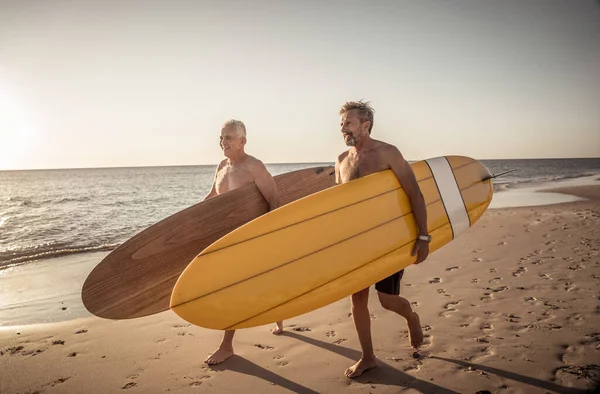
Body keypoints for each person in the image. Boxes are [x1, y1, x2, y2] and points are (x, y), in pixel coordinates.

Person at [334, 101, 430, 378]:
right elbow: (337, 208)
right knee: (358, 298)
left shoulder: (388, 153)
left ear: (366, 125)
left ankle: (411, 318)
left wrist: (423, 236)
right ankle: (368, 357)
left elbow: (415, 193)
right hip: (356, 242)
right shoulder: (341, 160)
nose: (343, 128)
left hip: (387, 238)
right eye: (341, 123)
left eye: (348, 122)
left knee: (387, 300)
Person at [202, 119, 284, 365]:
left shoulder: (254, 167)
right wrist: (191, 220)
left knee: (234, 289)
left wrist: (267, 235)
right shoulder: (222, 166)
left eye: (228, 137)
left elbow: (274, 200)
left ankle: (227, 346)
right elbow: (214, 196)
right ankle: (280, 315)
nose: (222, 142)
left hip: (249, 238)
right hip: (225, 237)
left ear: (242, 141)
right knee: (260, 282)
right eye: (221, 137)